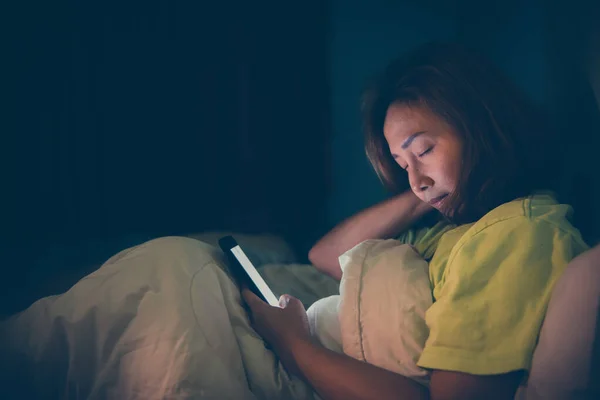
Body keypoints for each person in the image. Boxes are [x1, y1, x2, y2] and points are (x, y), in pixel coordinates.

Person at [242, 42, 589, 399]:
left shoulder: (513, 233)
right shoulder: (452, 229)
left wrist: (294, 346)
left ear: (480, 127)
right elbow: (329, 255)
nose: (414, 180)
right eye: (402, 164)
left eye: (424, 150)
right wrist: (431, 188)